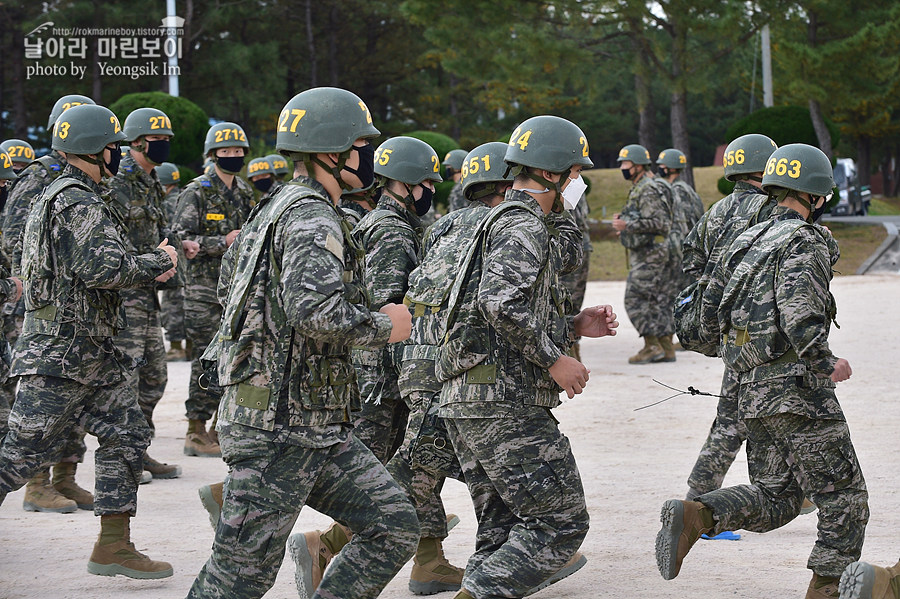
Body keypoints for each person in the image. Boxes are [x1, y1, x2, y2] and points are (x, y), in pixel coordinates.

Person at [186, 86, 418, 599]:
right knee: (238, 578)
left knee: (395, 523)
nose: (371, 157)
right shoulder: (311, 215)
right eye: (362, 145)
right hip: (278, 429)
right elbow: (314, 312)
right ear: (333, 152)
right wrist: (386, 325)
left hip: (314, 424)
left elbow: (233, 287)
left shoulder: (273, 207)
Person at [655, 144, 868, 599]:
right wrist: (825, 361)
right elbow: (798, 310)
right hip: (797, 390)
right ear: (818, 194)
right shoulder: (804, 240)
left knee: (779, 497)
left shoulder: (746, 240)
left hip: (750, 390)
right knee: (844, 498)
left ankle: (700, 514)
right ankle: (828, 587)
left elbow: (708, 318)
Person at [438, 115, 618, 599]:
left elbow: (491, 311)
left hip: (468, 397)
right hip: (503, 402)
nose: (578, 183)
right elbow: (499, 304)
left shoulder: (494, 221)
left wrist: (572, 325)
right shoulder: (521, 225)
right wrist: (554, 358)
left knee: (500, 535)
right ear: (551, 173)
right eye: (575, 174)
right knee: (561, 523)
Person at [0, 103, 178, 578]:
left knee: (129, 434)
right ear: (97, 150)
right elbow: (106, 269)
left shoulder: (67, 193)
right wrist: (158, 260)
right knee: (18, 455)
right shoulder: (77, 201)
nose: (119, 154)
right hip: (61, 354)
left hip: (91, 352)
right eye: (115, 147)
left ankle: (113, 545)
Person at [0, 94, 97, 513]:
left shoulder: (92, 175)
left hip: (81, 308)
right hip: (43, 305)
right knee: (40, 399)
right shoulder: (39, 175)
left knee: (78, 395)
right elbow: (14, 235)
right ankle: (36, 484)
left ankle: (65, 477)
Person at [680, 134, 778, 501]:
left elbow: (690, 257)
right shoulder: (771, 210)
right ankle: (700, 498)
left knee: (745, 408)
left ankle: (790, 490)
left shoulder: (718, 211)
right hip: (764, 327)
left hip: (729, 326)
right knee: (743, 412)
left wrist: (715, 291)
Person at [107, 107, 199, 480]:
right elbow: (109, 244)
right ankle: (123, 461)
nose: (162, 146)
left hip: (147, 297)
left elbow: (157, 230)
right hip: (125, 297)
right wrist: (150, 264)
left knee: (155, 378)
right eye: (156, 140)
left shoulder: (151, 180)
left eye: (165, 141)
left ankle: (139, 451)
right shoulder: (117, 181)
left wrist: (180, 248)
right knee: (125, 383)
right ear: (138, 142)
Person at [350, 135, 442, 464]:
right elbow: (388, 304)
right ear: (406, 182)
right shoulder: (393, 230)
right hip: (379, 369)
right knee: (370, 462)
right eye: (427, 182)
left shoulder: (378, 221)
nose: (431, 190)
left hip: (370, 363)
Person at [172, 121, 254, 458]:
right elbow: (180, 237)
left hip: (236, 289)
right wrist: (221, 241)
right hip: (202, 290)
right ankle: (195, 427)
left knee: (234, 356)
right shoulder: (197, 190)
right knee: (206, 356)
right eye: (226, 151)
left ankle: (223, 426)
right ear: (213, 154)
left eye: (237, 151)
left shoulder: (245, 192)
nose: (232, 156)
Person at [612, 143, 674, 364]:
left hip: (651, 253)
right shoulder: (640, 186)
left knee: (635, 299)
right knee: (654, 299)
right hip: (648, 251)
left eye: (626, 163)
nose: (622, 167)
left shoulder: (647, 188)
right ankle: (666, 347)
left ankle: (652, 345)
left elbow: (659, 222)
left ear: (638, 165)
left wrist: (626, 225)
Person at [656, 148, 703, 300]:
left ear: (671, 168)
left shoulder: (677, 190)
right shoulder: (687, 189)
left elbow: (681, 225)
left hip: (681, 252)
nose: (659, 169)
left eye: (662, 166)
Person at [155, 161, 188, 361]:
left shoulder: (166, 204)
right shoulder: (183, 199)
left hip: (173, 258)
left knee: (172, 303)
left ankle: (176, 346)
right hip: (191, 259)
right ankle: (190, 345)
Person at [443, 148, 468, 213]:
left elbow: (455, 215)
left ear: (456, 168)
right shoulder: (469, 184)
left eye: (449, 167)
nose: (447, 169)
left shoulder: (460, 188)